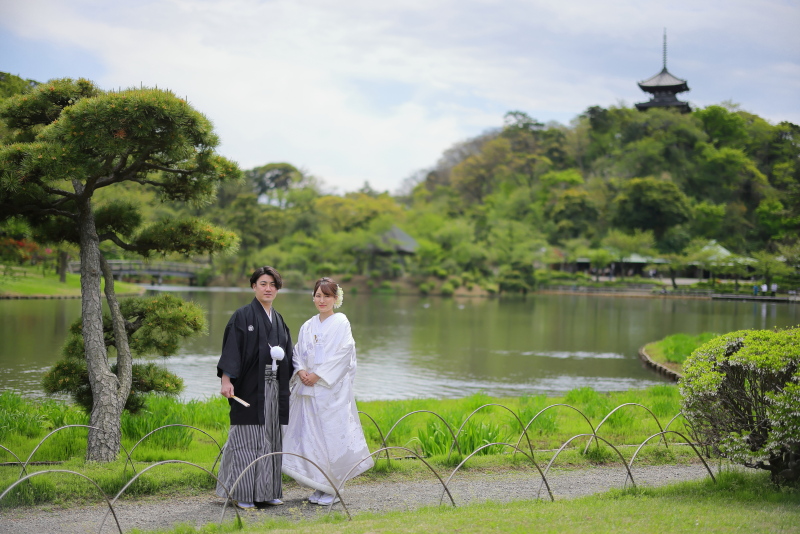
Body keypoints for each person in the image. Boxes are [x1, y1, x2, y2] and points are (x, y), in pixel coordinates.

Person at [282, 277, 374, 505]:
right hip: (308, 389)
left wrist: (319, 375)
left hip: (329, 391)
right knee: (310, 437)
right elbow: (297, 353)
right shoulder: (308, 325)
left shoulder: (341, 322)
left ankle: (333, 487)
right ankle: (318, 484)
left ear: (336, 298)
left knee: (330, 437)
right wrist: (301, 370)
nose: (321, 300)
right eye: (318, 295)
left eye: (327, 296)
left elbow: (345, 353)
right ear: (313, 297)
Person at [215, 266, 294, 509]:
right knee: (246, 437)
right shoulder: (242, 316)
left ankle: (267, 491)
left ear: (277, 289)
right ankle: (242, 492)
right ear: (253, 286)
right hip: (249, 387)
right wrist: (226, 380)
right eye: (263, 283)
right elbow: (232, 350)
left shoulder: (279, 320)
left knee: (271, 437)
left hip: (273, 387)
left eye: (272, 284)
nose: (268, 288)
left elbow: (289, 356)